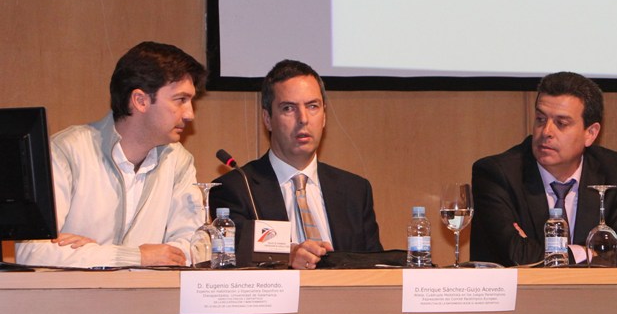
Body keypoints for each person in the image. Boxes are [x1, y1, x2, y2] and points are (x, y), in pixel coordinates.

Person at [15, 41, 207, 268]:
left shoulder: (178, 161)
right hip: (73, 302)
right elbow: (30, 250)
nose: (190, 114)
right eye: (180, 100)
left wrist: (90, 253)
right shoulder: (67, 151)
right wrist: (136, 257)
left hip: (148, 300)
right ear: (140, 100)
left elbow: (197, 248)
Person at [210, 59, 381, 269]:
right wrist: (287, 255)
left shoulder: (354, 190)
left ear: (324, 116)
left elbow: (374, 266)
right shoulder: (237, 188)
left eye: (312, 106)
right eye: (289, 108)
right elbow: (234, 255)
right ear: (267, 119)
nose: (303, 119)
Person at [470, 71, 617, 266]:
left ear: (590, 133)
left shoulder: (614, 171)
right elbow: (519, 256)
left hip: (596, 297)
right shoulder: (496, 174)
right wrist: (588, 253)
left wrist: (551, 251)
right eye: (540, 119)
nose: (546, 132)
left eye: (561, 123)